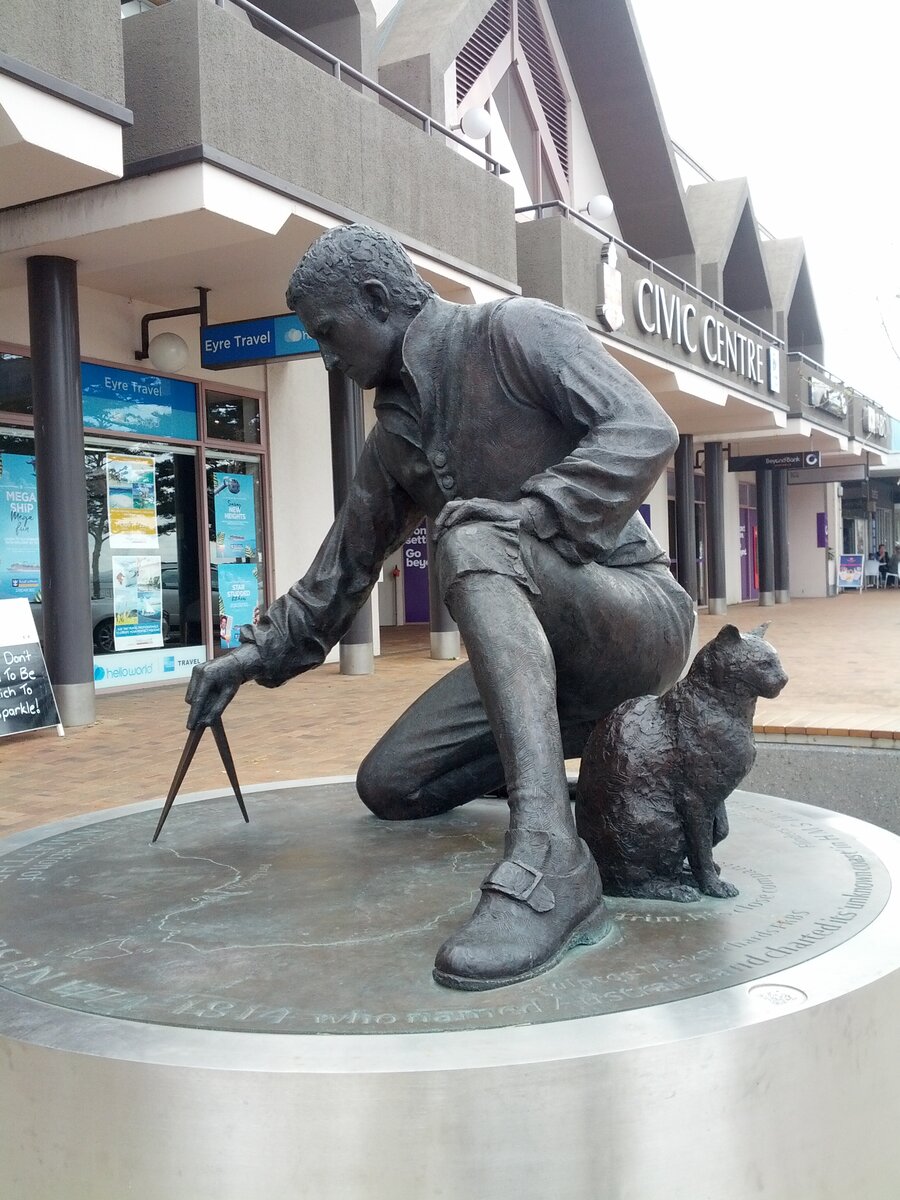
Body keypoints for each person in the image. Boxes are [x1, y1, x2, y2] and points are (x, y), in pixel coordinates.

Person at [185, 224, 694, 991]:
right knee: (392, 785)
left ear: (377, 300)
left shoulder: (515, 331)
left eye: (329, 334)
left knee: (474, 533)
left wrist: (531, 516)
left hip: (635, 620)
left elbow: (645, 428)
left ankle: (550, 851)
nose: (326, 357)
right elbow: (340, 575)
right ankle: (567, 775)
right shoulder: (393, 440)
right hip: (542, 662)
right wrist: (249, 656)